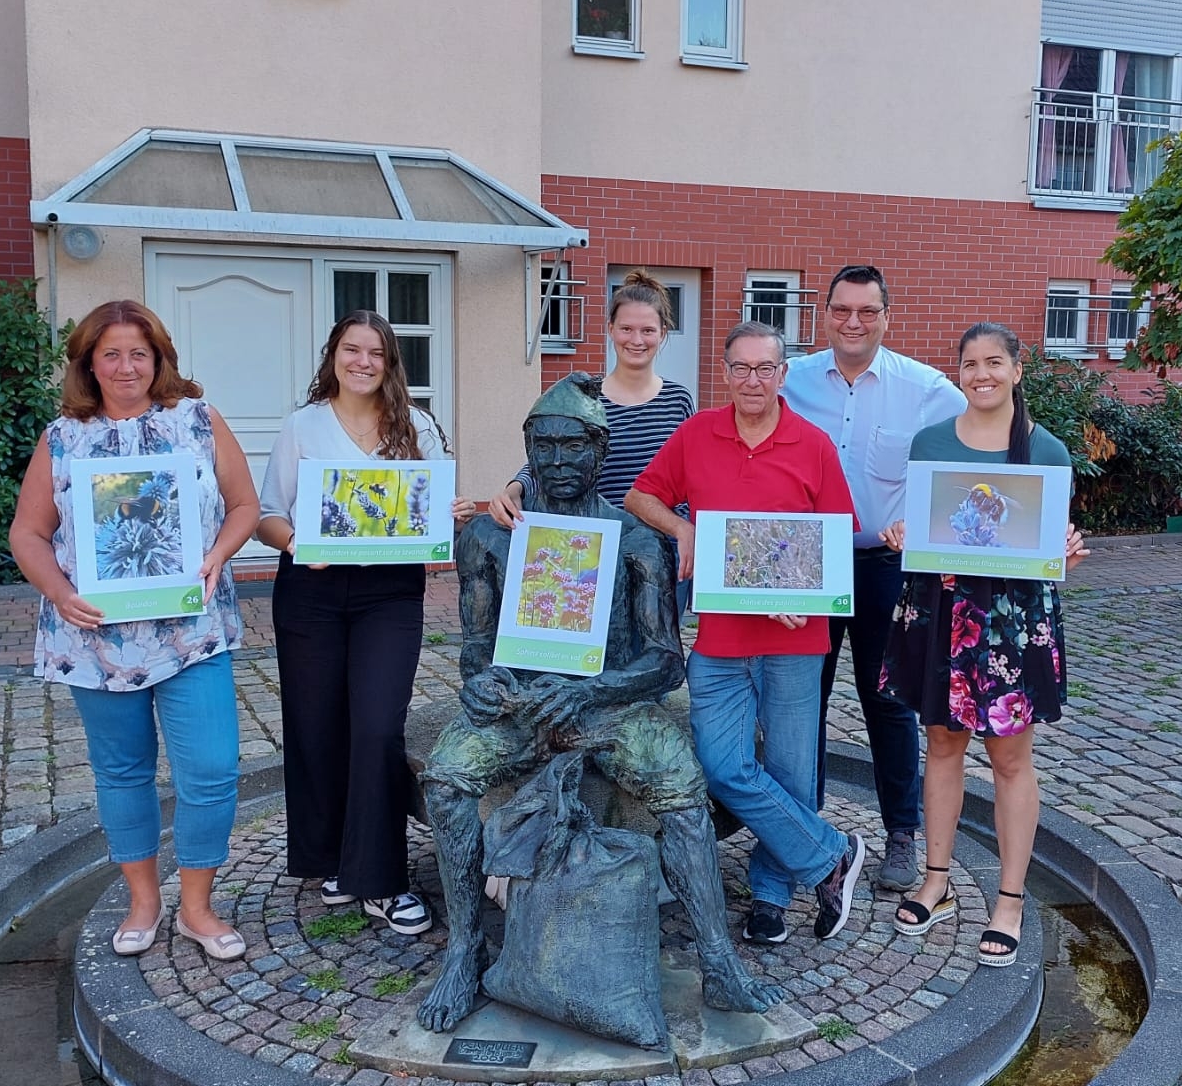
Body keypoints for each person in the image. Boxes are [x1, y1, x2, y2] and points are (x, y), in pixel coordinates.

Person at [416, 374, 783, 1034]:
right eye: (545, 446)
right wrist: (482, 683)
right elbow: (474, 649)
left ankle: (719, 960)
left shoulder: (636, 538)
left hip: (609, 703)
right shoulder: (489, 536)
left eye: (574, 446)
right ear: (528, 448)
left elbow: (665, 661)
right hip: (521, 704)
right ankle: (466, 949)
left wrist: (591, 690)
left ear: (600, 450)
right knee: (445, 778)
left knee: (681, 786)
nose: (558, 461)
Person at [9, 300, 260, 961]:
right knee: (122, 773)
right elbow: (28, 533)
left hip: (192, 631)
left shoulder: (198, 421)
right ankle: (143, 902)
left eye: (139, 353)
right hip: (95, 640)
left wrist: (219, 553)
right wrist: (59, 592)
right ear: (89, 363)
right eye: (112, 354)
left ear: (159, 359)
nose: (127, 366)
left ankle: (197, 908)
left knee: (211, 770)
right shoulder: (62, 438)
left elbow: (244, 505)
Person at [626, 322, 868, 947]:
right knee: (722, 766)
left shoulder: (813, 445)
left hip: (796, 639)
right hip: (720, 637)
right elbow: (641, 495)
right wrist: (682, 529)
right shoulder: (697, 433)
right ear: (725, 372)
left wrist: (803, 593)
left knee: (790, 773)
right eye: (741, 368)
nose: (753, 380)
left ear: (782, 374)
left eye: (765, 369)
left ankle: (770, 896)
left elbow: (836, 539)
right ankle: (832, 855)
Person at [255, 311, 475, 935]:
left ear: (390, 362)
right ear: (334, 355)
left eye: (376, 353)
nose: (363, 362)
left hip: (389, 594)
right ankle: (332, 860)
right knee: (317, 727)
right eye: (352, 350)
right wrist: (298, 543)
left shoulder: (417, 426)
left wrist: (452, 512)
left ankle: (381, 880)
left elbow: (435, 508)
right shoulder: (302, 426)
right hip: (312, 590)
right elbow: (267, 516)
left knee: (378, 728)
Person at [878, 322, 1089, 967]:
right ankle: (936, 881)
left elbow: (1051, 544)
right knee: (942, 745)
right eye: (970, 364)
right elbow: (925, 522)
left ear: (1017, 370)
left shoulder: (1045, 450)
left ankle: (1010, 900)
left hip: (1009, 621)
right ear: (959, 374)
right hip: (941, 610)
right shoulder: (932, 442)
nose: (982, 374)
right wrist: (902, 533)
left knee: (1010, 759)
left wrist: (1067, 552)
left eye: (994, 362)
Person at [780, 264, 966, 893]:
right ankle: (802, 832)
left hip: (886, 566)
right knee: (801, 698)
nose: (853, 322)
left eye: (867, 311)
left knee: (887, 702)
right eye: (841, 310)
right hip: (807, 564)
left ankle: (901, 834)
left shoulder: (927, 389)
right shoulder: (792, 379)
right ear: (824, 314)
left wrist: (928, 519)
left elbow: (981, 445)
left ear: (888, 316)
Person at [489, 269, 696, 521]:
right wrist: (514, 488)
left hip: (664, 537)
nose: (636, 340)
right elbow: (550, 456)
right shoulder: (585, 400)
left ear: (662, 333)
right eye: (626, 328)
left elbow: (694, 473)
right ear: (610, 329)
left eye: (648, 330)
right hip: (600, 536)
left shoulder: (678, 401)